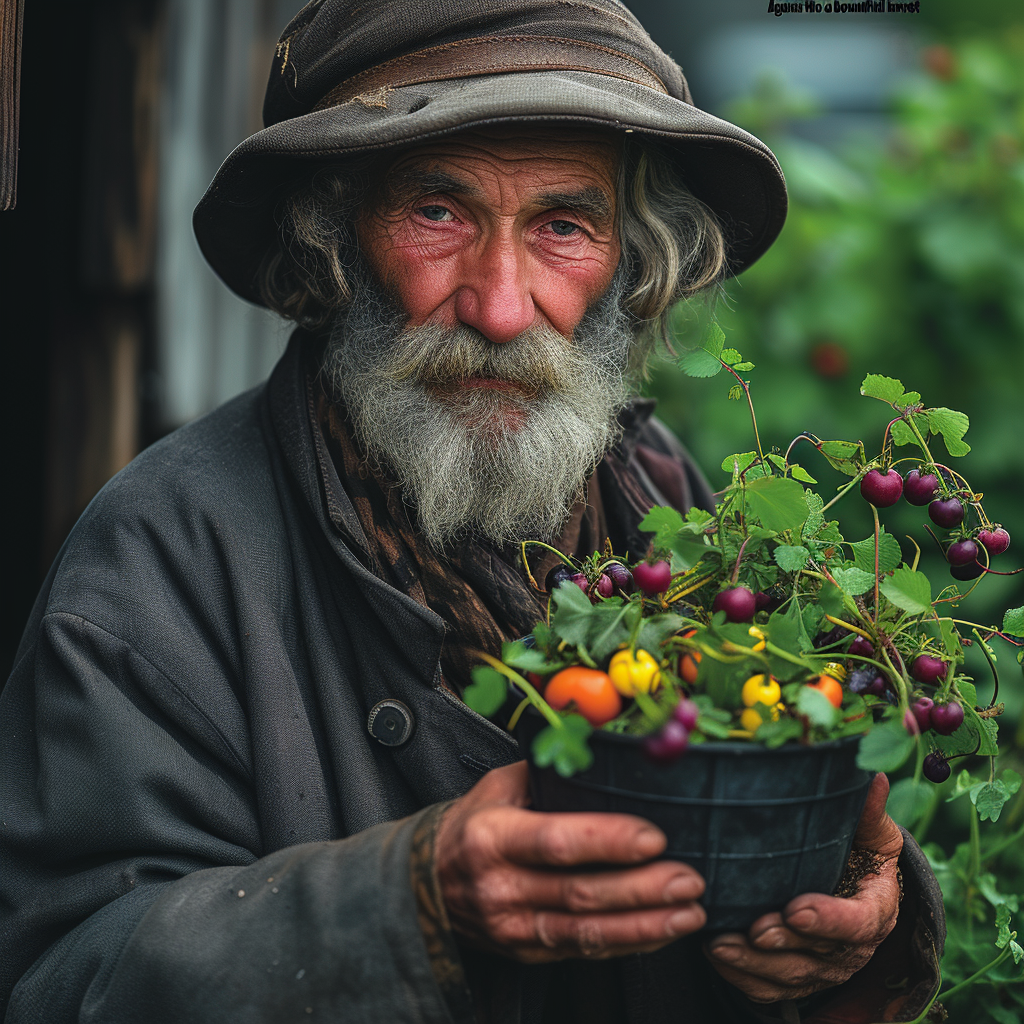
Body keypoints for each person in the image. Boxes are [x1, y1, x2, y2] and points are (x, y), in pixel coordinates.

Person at [0, 1, 943, 1021]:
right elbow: (63, 980)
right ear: (335, 241)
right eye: (436, 214)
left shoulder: (662, 500)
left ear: (633, 263)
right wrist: (411, 898)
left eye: (563, 226)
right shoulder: (165, 555)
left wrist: (855, 921)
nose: (500, 308)